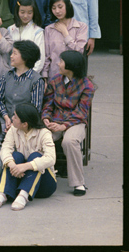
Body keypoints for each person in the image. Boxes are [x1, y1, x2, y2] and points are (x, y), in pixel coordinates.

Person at [42, 50, 95, 196]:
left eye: (61, 61)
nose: (58, 64)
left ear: (71, 65)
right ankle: (41, 176)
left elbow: (82, 112)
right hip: (55, 119)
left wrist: (64, 126)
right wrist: (46, 118)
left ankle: (78, 183)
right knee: (43, 138)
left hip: (75, 122)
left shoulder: (87, 85)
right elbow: (48, 103)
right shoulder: (55, 80)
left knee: (70, 141)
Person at [0, 103, 56, 211]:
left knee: (36, 156)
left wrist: (25, 166)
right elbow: (5, 149)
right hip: (20, 178)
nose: (12, 118)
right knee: (15, 155)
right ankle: (3, 193)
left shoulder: (44, 133)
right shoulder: (13, 130)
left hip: (44, 185)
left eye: (15, 116)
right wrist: (12, 165)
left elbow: (51, 158)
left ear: (25, 123)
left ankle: (23, 196)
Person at [42, 0, 88, 80]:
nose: (57, 11)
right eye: (53, 8)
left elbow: (79, 51)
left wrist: (65, 33)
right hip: (54, 76)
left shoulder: (81, 27)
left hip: (74, 77)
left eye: (60, 7)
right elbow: (47, 57)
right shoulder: (49, 29)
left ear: (68, 6)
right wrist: (44, 77)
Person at [7, 0, 46, 74]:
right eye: (22, 12)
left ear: (34, 12)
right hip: (12, 74)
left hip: (30, 76)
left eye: (29, 13)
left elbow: (40, 59)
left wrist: (28, 75)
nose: (25, 16)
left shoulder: (37, 32)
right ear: (17, 11)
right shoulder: (10, 29)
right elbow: (7, 55)